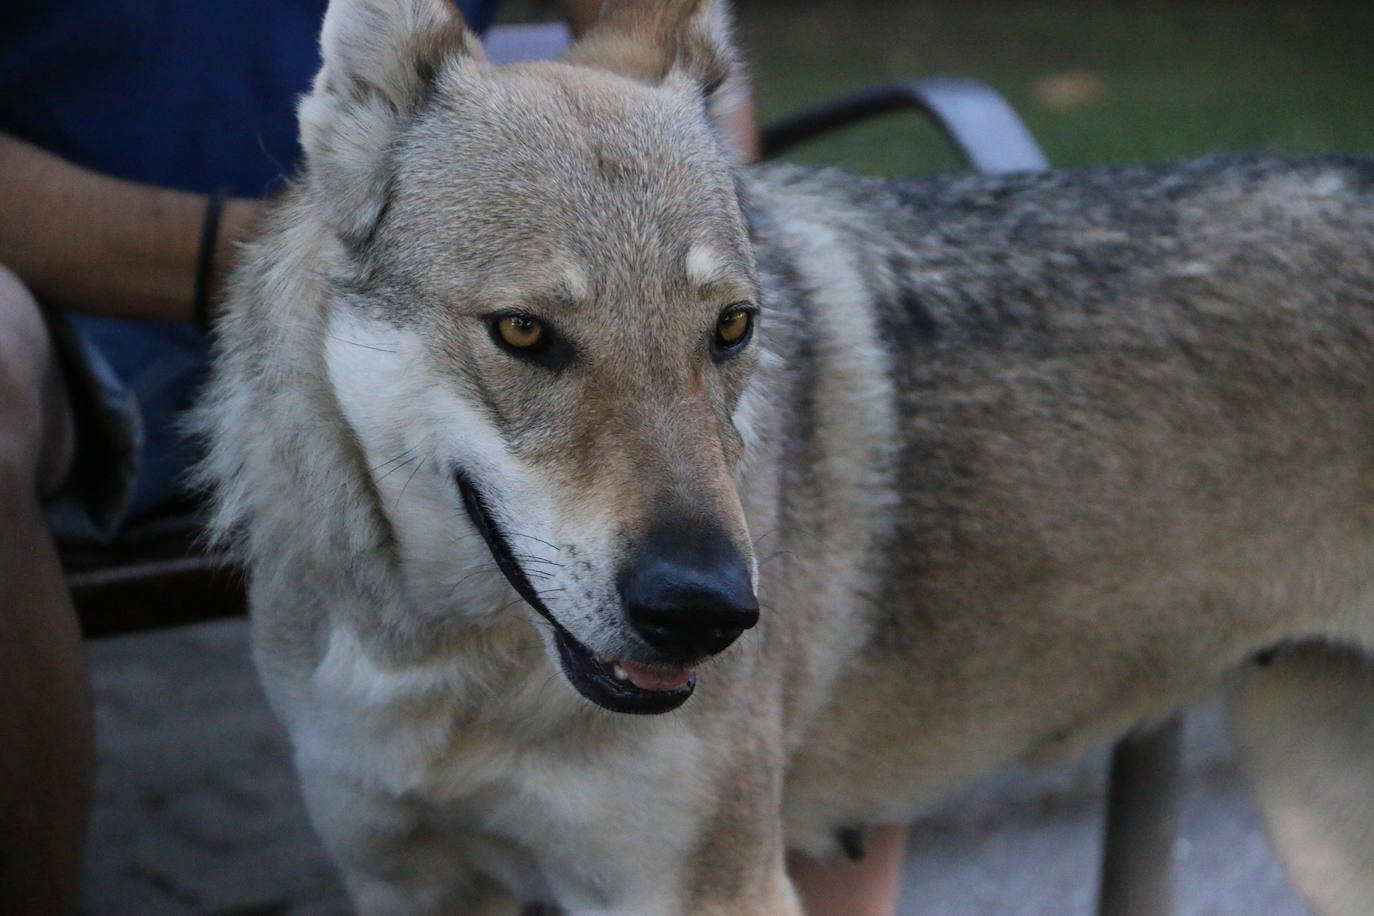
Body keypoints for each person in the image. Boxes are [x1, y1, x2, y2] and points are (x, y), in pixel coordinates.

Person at [0, 1, 905, 912]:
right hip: (84, 300)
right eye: (529, 333)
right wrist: (299, 239)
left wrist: (646, 151)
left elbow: (651, 20)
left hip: (418, 251)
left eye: (731, 331)